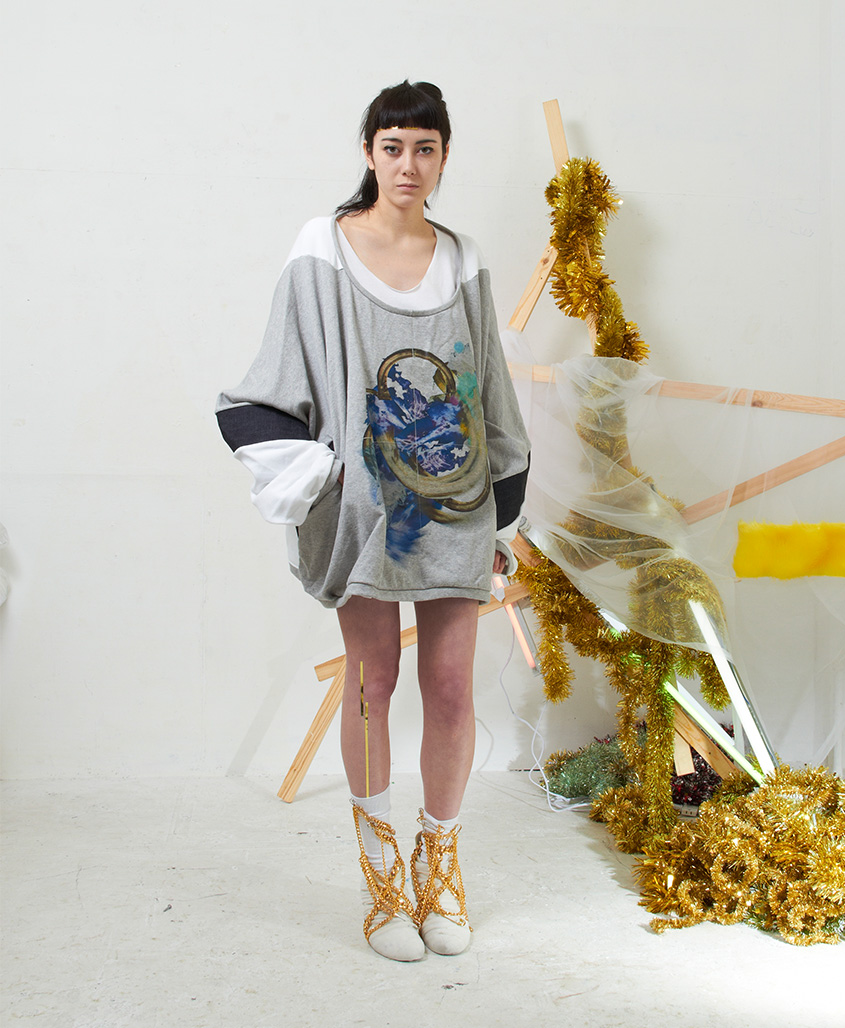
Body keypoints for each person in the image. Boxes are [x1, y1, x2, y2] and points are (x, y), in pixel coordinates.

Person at [215, 80, 530, 962]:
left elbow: (491, 389)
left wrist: (503, 511)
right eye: (393, 147)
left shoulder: (462, 258)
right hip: (366, 513)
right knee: (372, 682)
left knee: (452, 687)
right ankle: (382, 874)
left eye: (425, 149)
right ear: (369, 152)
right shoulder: (322, 248)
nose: (408, 165)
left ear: (443, 157)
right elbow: (273, 378)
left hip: (457, 504)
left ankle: (441, 866)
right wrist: (325, 474)